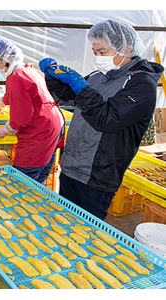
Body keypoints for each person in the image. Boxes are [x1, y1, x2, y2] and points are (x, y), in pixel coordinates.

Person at [39, 20, 164, 220]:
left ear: (126, 48)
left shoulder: (141, 84)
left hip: (97, 176)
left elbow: (107, 119)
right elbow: (68, 98)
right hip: (72, 166)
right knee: (65, 221)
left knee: (87, 232)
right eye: (95, 52)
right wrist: (53, 77)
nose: (98, 57)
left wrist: (82, 87)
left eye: (103, 52)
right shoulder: (99, 76)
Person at [0, 39, 64, 184]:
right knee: (38, 179)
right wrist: (3, 101)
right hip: (53, 125)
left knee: (22, 179)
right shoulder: (27, 70)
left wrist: (4, 130)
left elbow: (21, 119)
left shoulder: (16, 77)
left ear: (4, 58)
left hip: (40, 130)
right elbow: (27, 93)